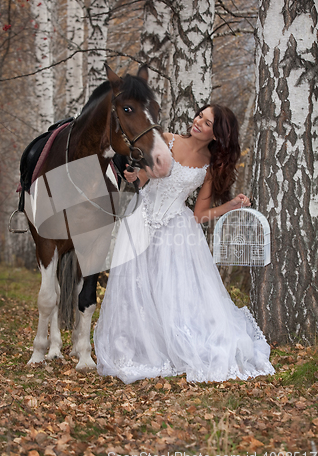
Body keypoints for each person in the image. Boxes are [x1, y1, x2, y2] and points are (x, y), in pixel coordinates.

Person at [94, 104, 275, 384]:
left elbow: (200, 214)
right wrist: (133, 176)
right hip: (141, 220)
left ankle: (174, 346)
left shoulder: (209, 166)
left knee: (170, 291)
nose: (198, 122)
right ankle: (137, 346)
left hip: (176, 230)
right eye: (199, 116)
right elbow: (143, 177)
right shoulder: (166, 139)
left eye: (207, 122)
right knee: (135, 288)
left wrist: (230, 205)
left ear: (217, 134)